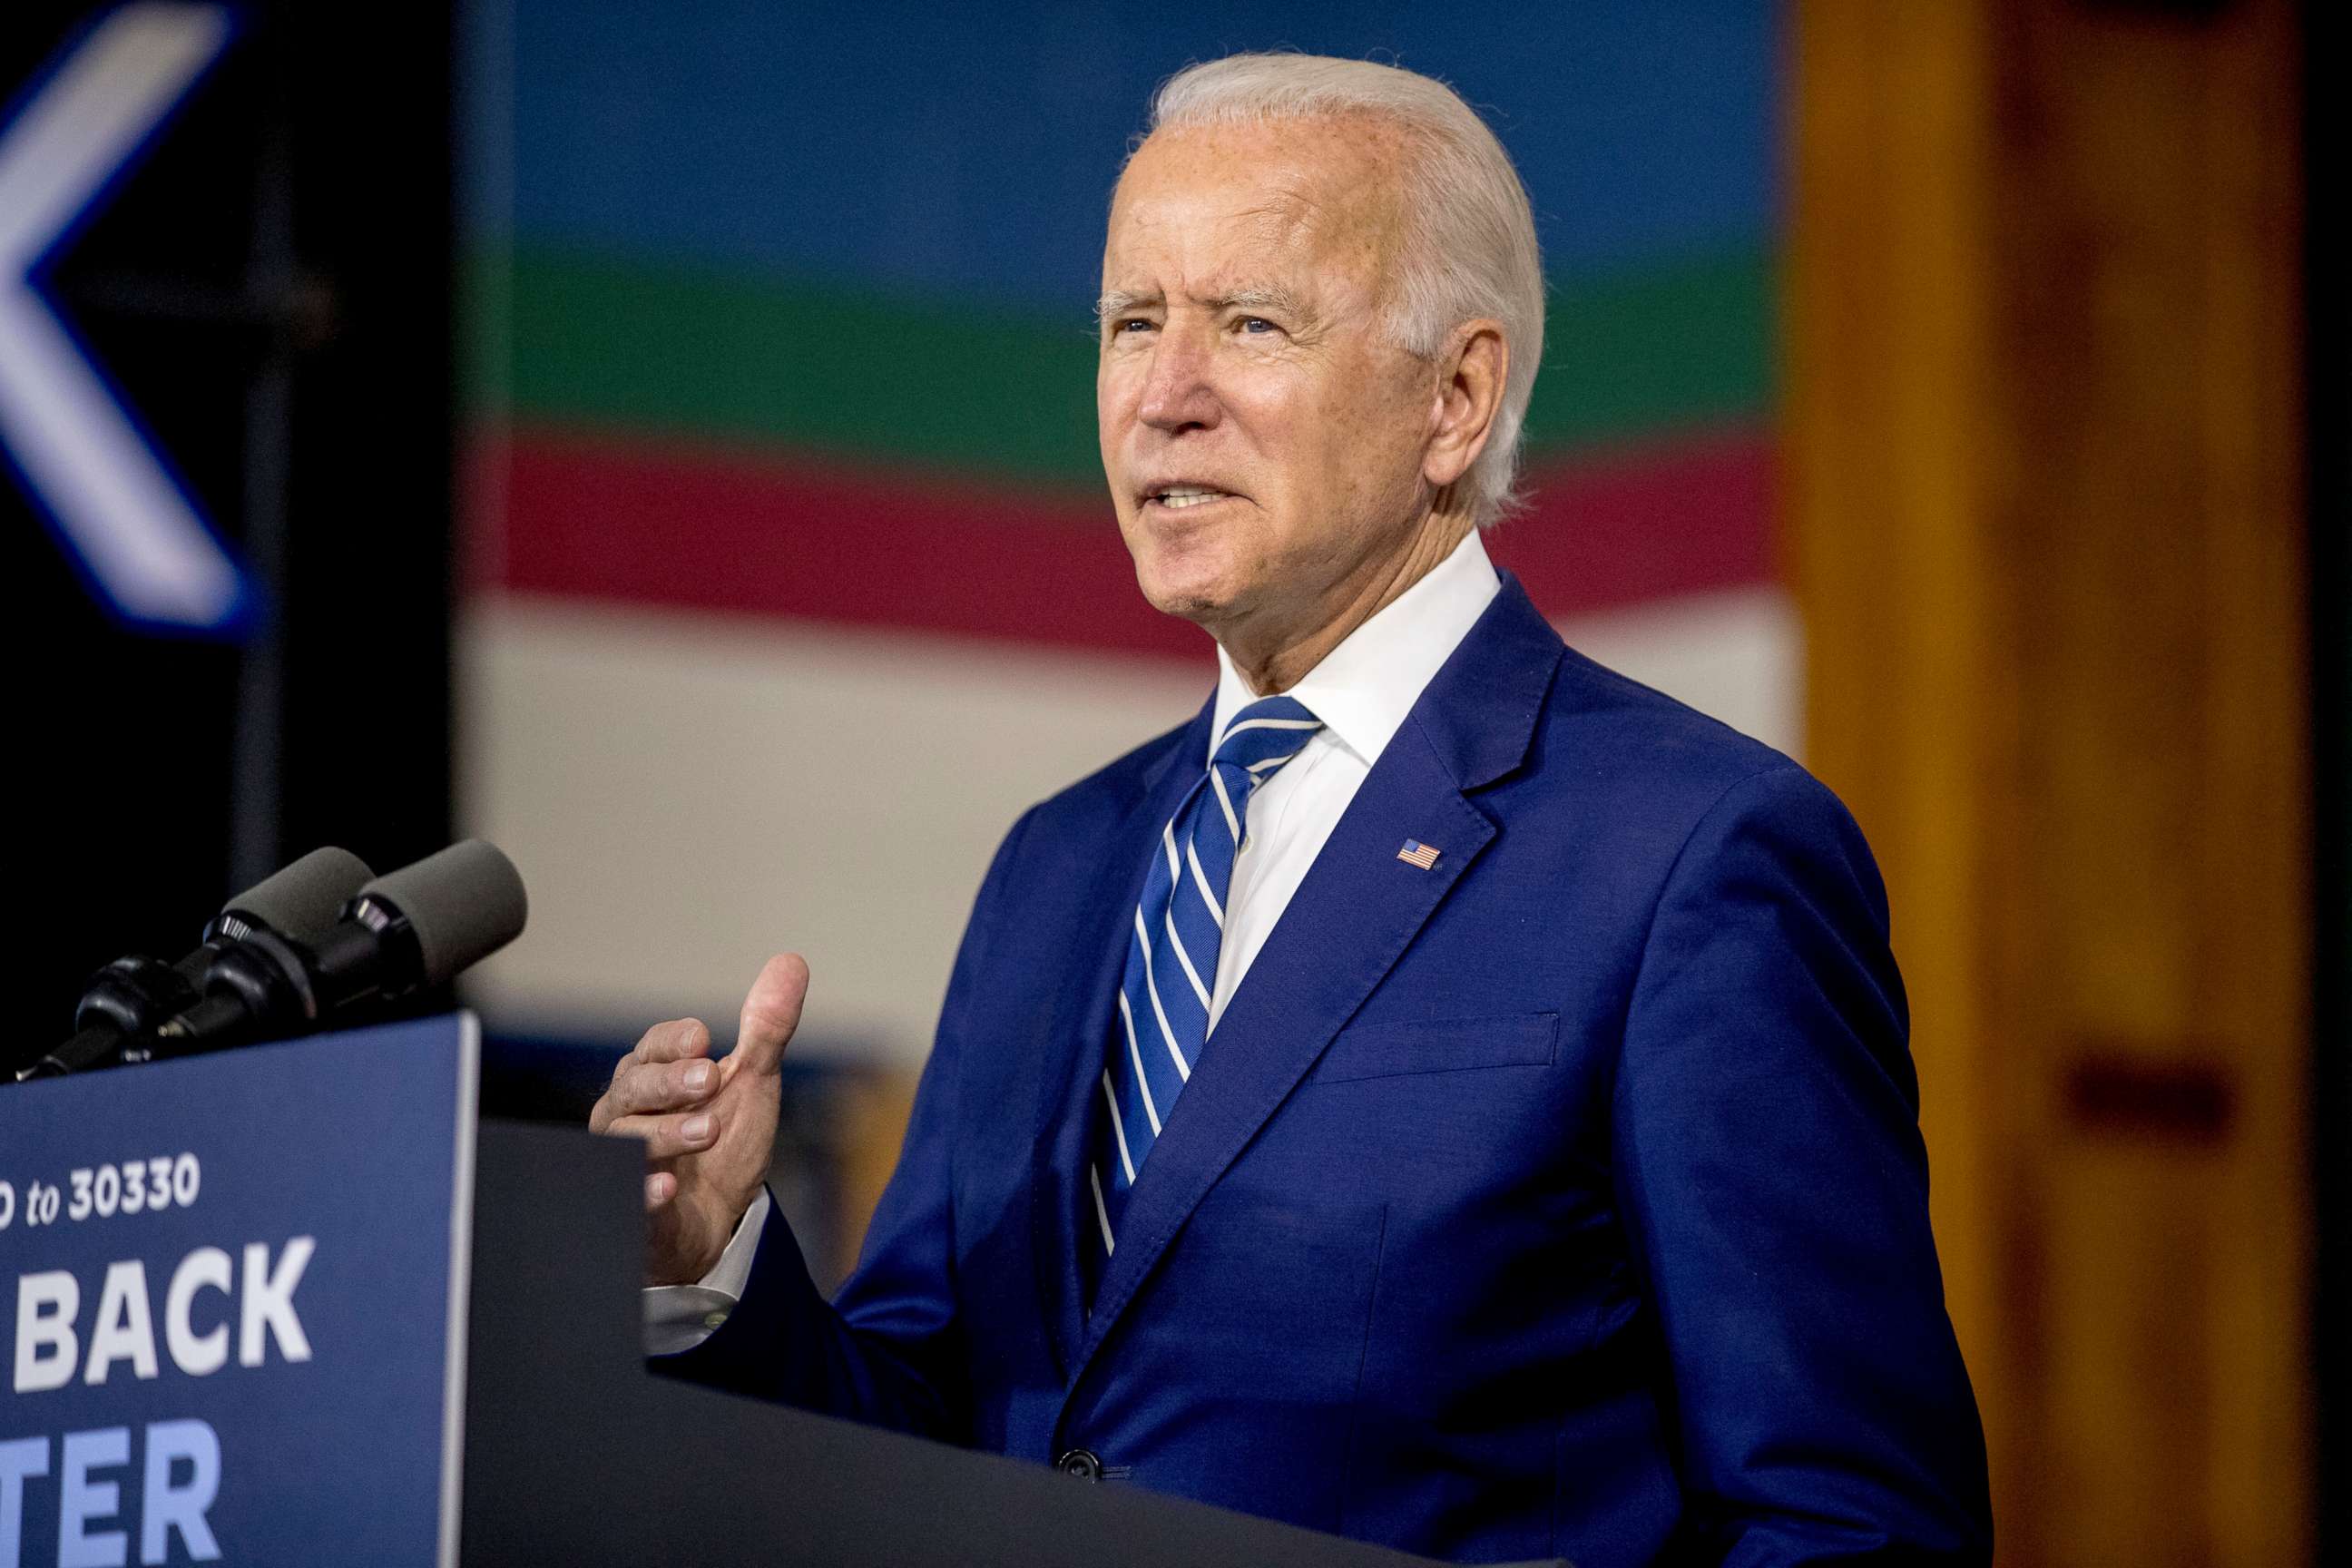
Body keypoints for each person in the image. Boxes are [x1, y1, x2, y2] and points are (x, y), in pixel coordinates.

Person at [587, 53, 1993, 1567]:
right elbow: (932, 1438)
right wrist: (713, 1259)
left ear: (1455, 399)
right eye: (1134, 324)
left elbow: (1849, 1523)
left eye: (1251, 323)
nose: (1162, 399)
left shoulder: (1695, 858)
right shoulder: (1057, 866)